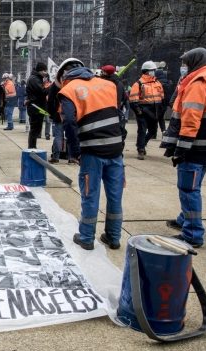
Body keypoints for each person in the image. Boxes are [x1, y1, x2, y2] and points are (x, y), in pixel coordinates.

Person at [160, 48, 206, 248]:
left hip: (194, 145)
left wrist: (181, 148)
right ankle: (184, 219)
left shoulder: (199, 82)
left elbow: (191, 118)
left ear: (194, 62)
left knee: (188, 189)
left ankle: (192, 233)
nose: (183, 67)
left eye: (185, 63)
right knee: (194, 185)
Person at [57, 58, 125, 251]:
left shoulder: (69, 90)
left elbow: (69, 122)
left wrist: (75, 151)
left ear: (64, 74)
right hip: (115, 149)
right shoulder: (108, 84)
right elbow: (117, 114)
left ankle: (86, 238)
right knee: (115, 196)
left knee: (90, 195)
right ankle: (113, 237)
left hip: (92, 151)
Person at [130, 61, 164, 160]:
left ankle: (142, 144)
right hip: (143, 110)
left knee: (153, 131)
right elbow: (133, 99)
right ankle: (140, 150)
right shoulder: (138, 83)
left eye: (154, 70)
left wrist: (161, 109)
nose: (153, 72)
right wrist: (138, 110)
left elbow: (161, 97)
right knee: (142, 130)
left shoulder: (157, 83)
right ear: (145, 71)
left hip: (155, 110)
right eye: (151, 70)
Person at [101, 65, 129, 143]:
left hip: (104, 111)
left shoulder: (103, 83)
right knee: (119, 131)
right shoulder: (120, 84)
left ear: (105, 73)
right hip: (117, 110)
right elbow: (124, 98)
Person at [25, 62, 49, 148]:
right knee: (34, 130)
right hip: (36, 108)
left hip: (36, 107)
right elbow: (43, 92)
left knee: (35, 130)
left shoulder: (35, 78)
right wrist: (52, 86)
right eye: (44, 70)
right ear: (39, 70)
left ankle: (32, 147)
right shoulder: (35, 79)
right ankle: (32, 148)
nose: (45, 73)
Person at [155, 66, 175, 137]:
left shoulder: (156, 83)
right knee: (161, 117)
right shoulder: (168, 82)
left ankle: (154, 132)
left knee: (156, 117)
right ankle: (164, 130)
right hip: (165, 103)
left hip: (158, 102)